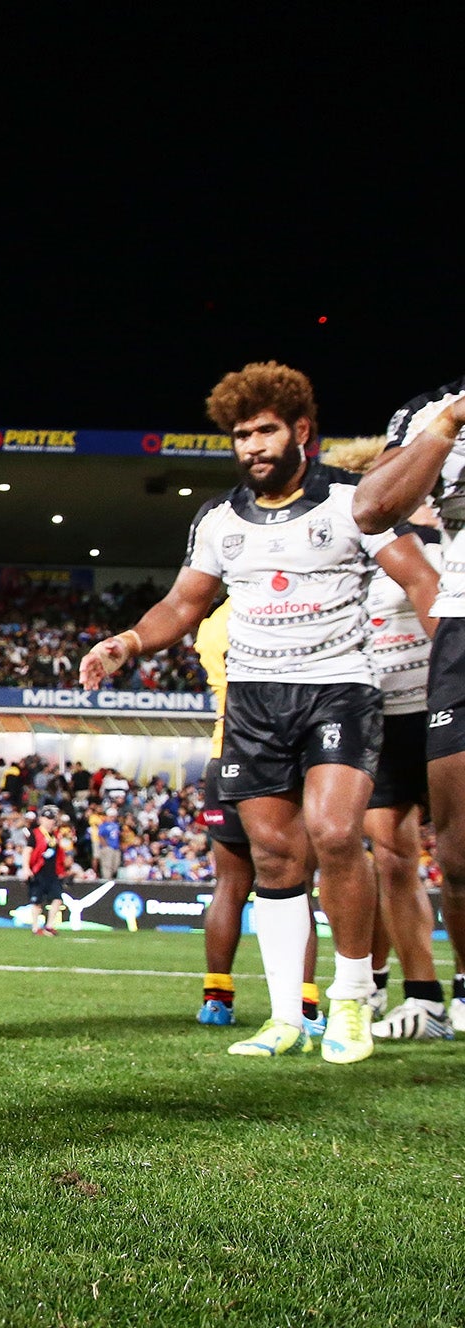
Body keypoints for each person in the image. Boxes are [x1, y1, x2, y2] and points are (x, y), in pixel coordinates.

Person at [82, 362, 438, 1064]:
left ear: (301, 430)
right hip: (254, 698)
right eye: (241, 435)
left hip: (339, 688)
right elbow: (185, 604)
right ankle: (283, 1017)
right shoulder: (218, 520)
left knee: (337, 835)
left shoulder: (354, 502)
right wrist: (126, 642)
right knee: (275, 858)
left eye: (265, 431)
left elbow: (420, 579)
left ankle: (350, 999)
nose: (252, 446)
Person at [353, 376, 465, 1032]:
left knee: (455, 854)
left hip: (435, 693)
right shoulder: (358, 539)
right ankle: (421, 996)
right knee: (391, 852)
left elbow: (430, 596)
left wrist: (447, 665)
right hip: (384, 710)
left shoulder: (420, 538)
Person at [193, 601, 320, 1035]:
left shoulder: (211, 625)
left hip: (222, 750)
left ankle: (216, 999)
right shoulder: (278, 607)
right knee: (295, 884)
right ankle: (303, 1005)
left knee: (229, 884)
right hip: (276, 754)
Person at [26, 809, 68, 934]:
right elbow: (27, 851)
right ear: (41, 820)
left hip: (52, 872)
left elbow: (60, 853)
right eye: (47, 819)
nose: (50, 822)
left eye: (51, 819)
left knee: (57, 898)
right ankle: (35, 926)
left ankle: (49, 925)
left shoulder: (55, 835)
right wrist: (26, 868)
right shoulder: (35, 834)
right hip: (38, 871)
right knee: (36, 900)